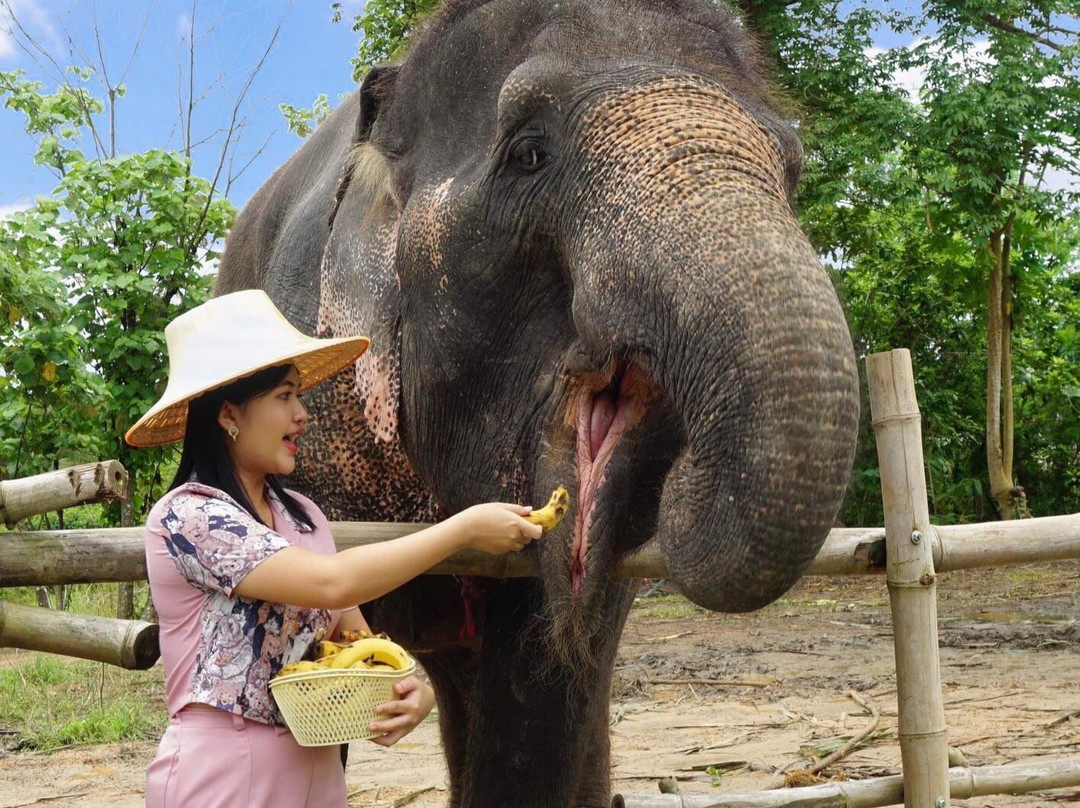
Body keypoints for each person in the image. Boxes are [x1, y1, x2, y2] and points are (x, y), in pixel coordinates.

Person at [125, 289, 542, 808]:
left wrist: (416, 689)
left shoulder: (304, 517)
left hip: (319, 774)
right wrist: (461, 531)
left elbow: (359, 646)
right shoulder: (188, 517)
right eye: (283, 396)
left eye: (298, 396)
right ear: (229, 414)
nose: (302, 415)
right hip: (223, 777)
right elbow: (332, 583)